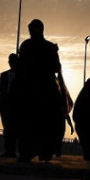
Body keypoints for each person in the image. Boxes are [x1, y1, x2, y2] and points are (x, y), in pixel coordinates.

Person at [14, 19, 68, 162]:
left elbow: (57, 67)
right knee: (27, 122)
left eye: (34, 28)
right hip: (30, 90)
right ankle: (27, 152)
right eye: (31, 28)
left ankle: (45, 152)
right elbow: (21, 67)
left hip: (45, 90)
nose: (32, 31)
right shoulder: (26, 45)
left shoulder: (48, 46)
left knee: (47, 123)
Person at [0, 53, 19, 157]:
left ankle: (12, 149)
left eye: (13, 60)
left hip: (16, 105)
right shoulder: (3, 74)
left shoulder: (22, 74)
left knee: (14, 128)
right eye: (10, 60)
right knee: (7, 128)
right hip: (5, 104)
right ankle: (9, 149)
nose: (11, 63)